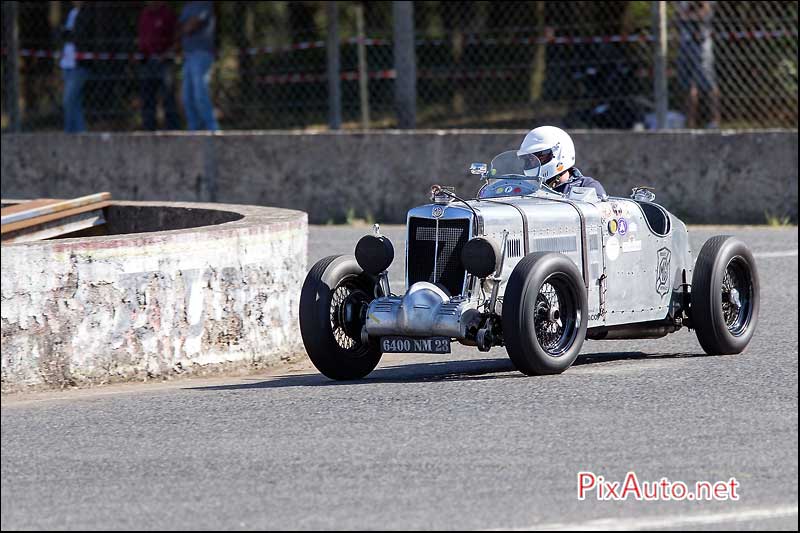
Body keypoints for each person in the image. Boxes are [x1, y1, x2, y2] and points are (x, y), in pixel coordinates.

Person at [517, 126, 607, 198]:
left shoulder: (586, 187)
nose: (532, 163)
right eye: (528, 159)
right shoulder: (526, 189)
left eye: (540, 156)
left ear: (560, 153)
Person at [676, 1, 720, 129]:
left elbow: (704, 10)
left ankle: (714, 120)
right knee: (688, 84)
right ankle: (690, 122)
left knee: (708, 82)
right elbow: (678, 14)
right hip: (685, 41)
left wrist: (687, 15)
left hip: (700, 42)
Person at [137, 1, 180, 131]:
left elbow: (177, 38)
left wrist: (167, 54)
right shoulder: (144, 14)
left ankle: (172, 129)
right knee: (147, 97)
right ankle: (148, 128)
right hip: (146, 61)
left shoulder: (168, 14)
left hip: (165, 61)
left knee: (168, 97)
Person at [178, 1, 219, 131]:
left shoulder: (205, 4)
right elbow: (180, 28)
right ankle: (194, 130)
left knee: (200, 94)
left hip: (202, 53)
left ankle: (212, 129)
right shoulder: (187, 6)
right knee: (187, 97)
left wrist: (186, 27)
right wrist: (184, 28)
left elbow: (190, 26)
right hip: (188, 55)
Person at [59, 1, 94, 133]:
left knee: (68, 101)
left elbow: (82, 36)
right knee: (75, 103)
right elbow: (65, 34)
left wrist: (69, 34)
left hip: (79, 64)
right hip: (67, 63)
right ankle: (81, 134)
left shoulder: (88, 14)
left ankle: (69, 134)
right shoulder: (71, 13)